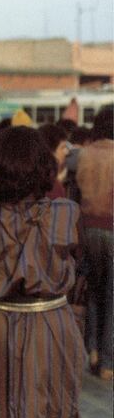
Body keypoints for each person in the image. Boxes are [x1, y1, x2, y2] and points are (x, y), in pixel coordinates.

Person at [0, 126, 85, 418]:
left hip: (2, 323)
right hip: (51, 322)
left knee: (0, 416)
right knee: (52, 413)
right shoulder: (66, 213)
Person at [76, 107, 113, 381]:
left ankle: (93, 351)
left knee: (93, 292)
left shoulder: (84, 154)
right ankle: (108, 360)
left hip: (87, 229)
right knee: (112, 297)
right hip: (112, 229)